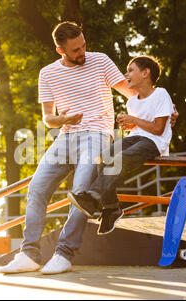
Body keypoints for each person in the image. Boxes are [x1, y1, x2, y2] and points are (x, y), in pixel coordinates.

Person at [0, 22, 177, 275]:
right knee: (37, 188)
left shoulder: (100, 61)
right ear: (60, 50)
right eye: (75, 50)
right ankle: (29, 253)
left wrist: (166, 109)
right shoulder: (47, 74)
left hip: (97, 133)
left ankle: (64, 254)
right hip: (65, 136)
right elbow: (48, 118)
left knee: (81, 192)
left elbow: (136, 92)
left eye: (83, 45)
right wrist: (63, 120)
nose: (82, 52)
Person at [68, 55, 174, 236]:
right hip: (136, 138)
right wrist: (131, 125)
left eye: (130, 70)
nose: (126, 75)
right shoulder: (132, 102)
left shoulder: (161, 94)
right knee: (102, 157)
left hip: (154, 142)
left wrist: (134, 120)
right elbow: (140, 125)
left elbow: (157, 129)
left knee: (120, 159)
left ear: (145, 73)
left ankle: (93, 198)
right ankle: (111, 208)